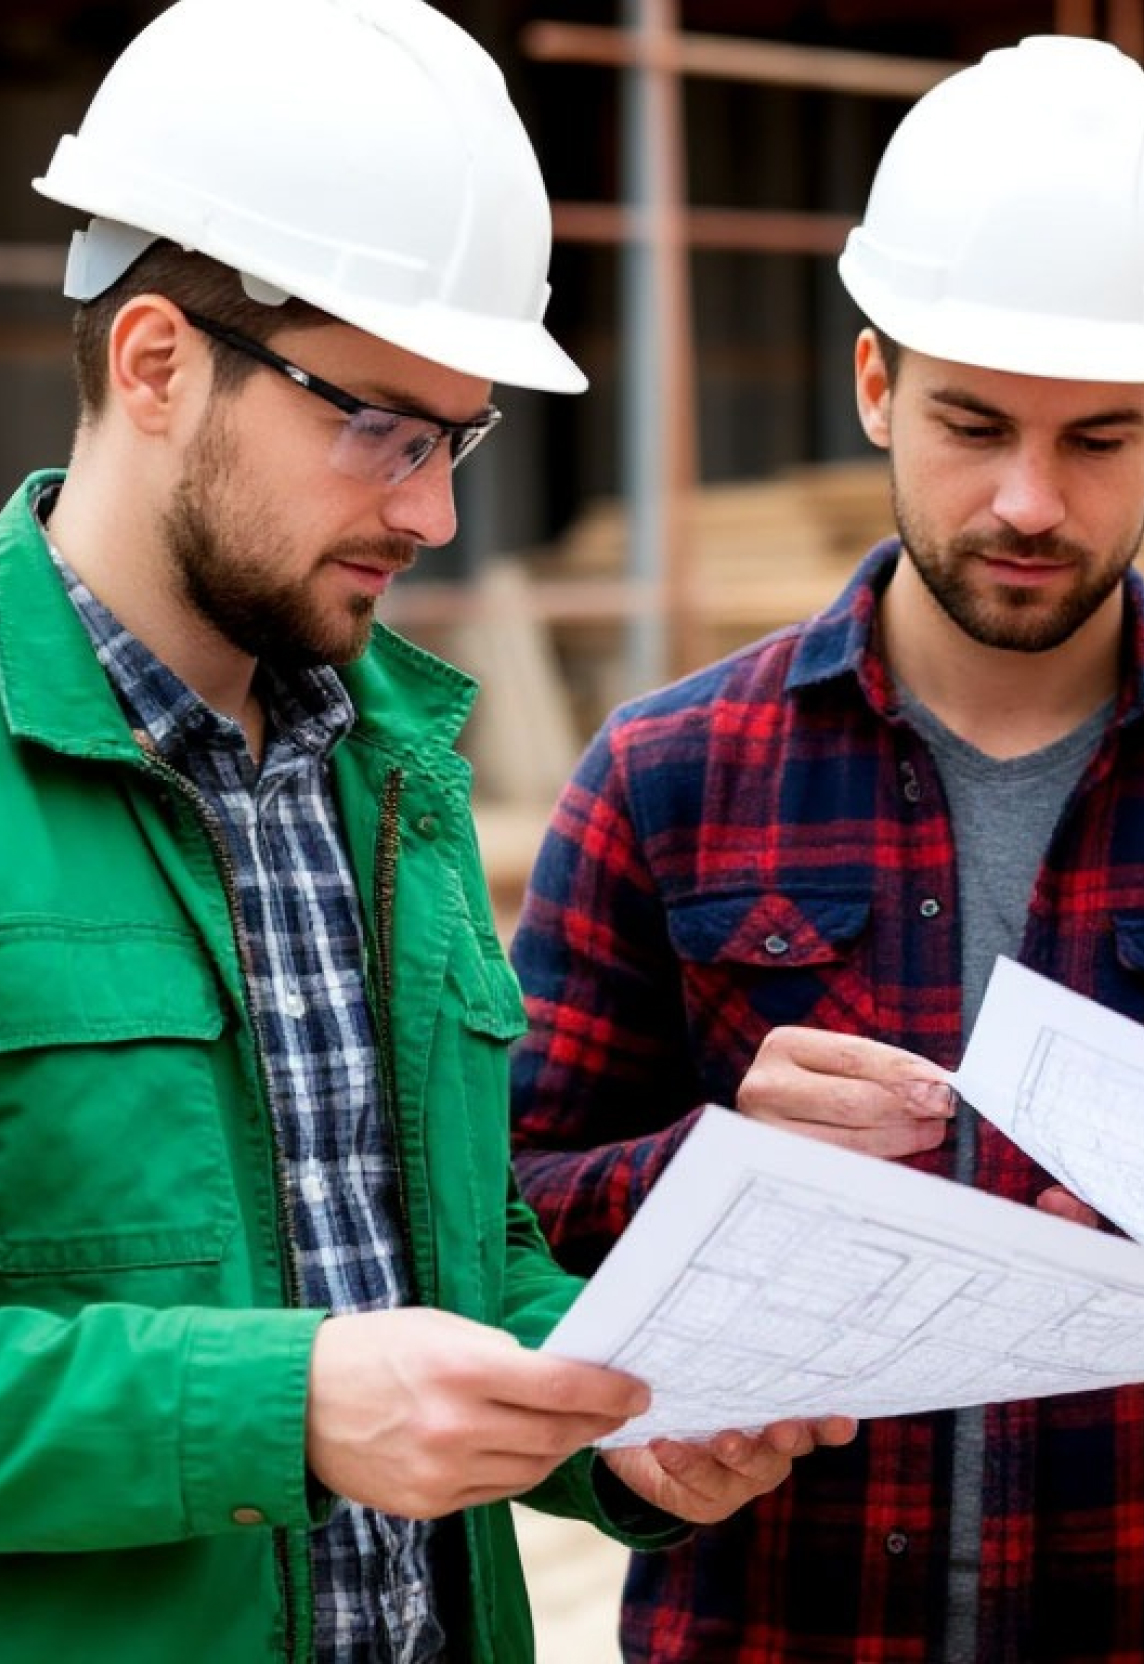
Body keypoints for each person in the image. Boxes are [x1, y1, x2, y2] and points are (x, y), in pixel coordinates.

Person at [509, 32, 1144, 1663]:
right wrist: (714, 1173)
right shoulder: (666, 781)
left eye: (1097, 440)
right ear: (875, 383)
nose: (1029, 503)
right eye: (974, 425)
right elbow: (504, 1224)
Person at [0, 2, 853, 1660]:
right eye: (380, 430)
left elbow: (458, 1258)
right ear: (156, 361)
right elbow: (338, 1385)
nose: (434, 512)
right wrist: (287, 1405)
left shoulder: (395, 770)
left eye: (457, 439)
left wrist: (628, 1421)